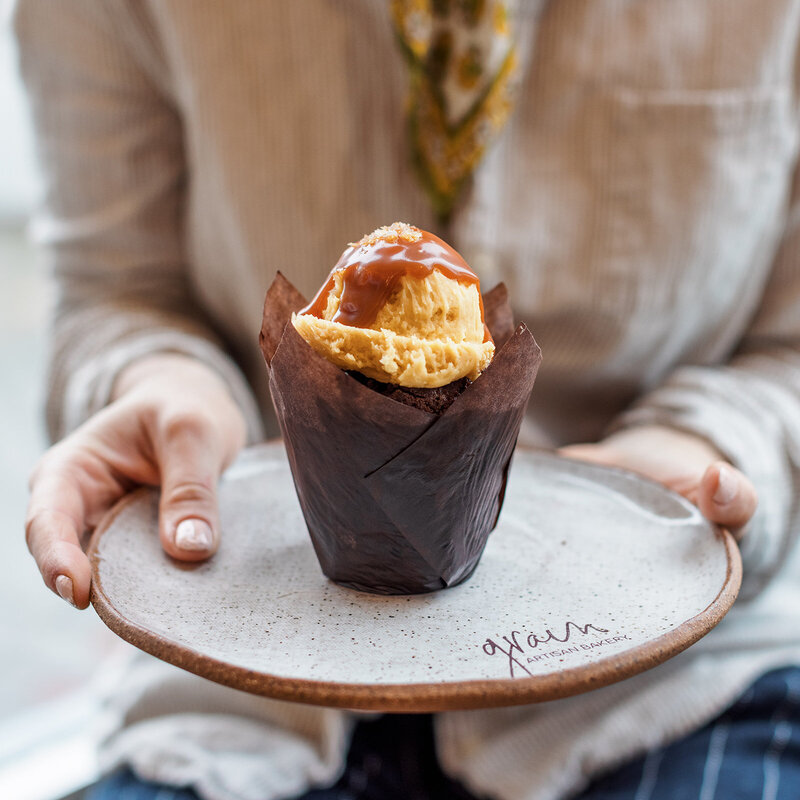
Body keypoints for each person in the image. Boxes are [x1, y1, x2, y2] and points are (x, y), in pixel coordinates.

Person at [14, 1, 800, 798]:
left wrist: (707, 445)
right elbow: (116, 288)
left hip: (667, 680)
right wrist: (161, 383)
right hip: (253, 678)